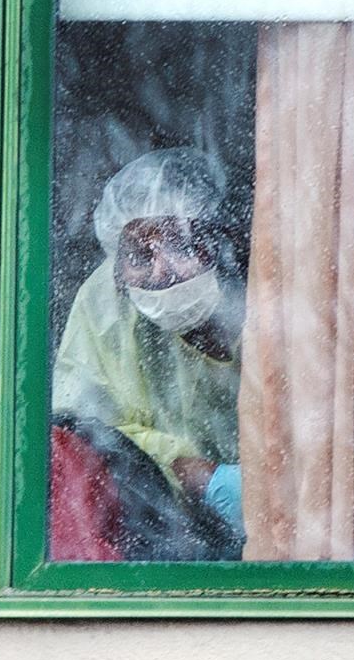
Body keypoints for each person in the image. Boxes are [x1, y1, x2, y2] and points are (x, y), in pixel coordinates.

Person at [52, 148, 245, 553]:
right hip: (162, 539)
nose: (160, 271)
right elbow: (84, 430)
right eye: (140, 255)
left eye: (178, 242)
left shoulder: (264, 286)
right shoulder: (104, 304)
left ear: (219, 237)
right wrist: (192, 471)